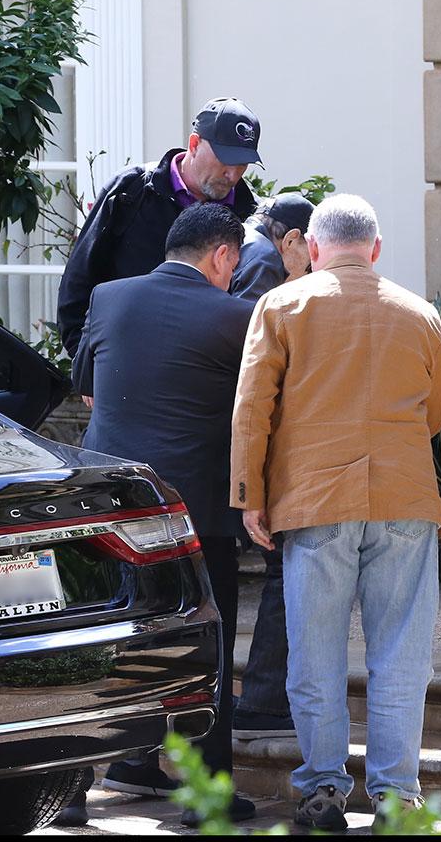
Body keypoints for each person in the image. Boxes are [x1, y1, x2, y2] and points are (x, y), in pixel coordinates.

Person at [230, 194, 441, 830]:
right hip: (404, 497)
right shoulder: (420, 313)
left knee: (315, 656)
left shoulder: (281, 304)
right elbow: (437, 410)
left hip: (313, 500)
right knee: (402, 656)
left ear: (313, 247)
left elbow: (252, 411)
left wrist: (250, 496)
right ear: (375, 249)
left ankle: (323, 789)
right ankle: (396, 794)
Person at [68, 203, 259, 826]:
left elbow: (88, 385)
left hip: (111, 510)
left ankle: (74, 791)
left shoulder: (109, 297)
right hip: (195, 516)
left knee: (101, 647)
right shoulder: (238, 316)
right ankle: (208, 794)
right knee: (208, 645)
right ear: (223, 255)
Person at [56, 97, 262, 361]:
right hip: (124, 366)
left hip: (207, 376)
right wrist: (87, 366)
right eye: (226, 160)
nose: (233, 175)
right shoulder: (130, 191)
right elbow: (78, 283)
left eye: (242, 164)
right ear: (195, 144)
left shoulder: (250, 215)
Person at [227, 192, 313, 744]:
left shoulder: (248, 248)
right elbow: (258, 368)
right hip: (249, 441)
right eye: (312, 254)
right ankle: (261, 698)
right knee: (285, 567)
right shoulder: (264, 261)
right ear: (294, 241)